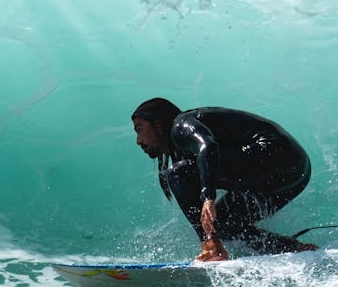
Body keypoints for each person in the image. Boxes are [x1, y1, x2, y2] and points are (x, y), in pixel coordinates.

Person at [131, 97, 317, 261]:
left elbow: (207, 146)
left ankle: (211, 246)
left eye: (140, 129)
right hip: (296, 172)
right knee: (222, 224)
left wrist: (208, 197)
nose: (138, 141)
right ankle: (292, 248)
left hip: (276, 156)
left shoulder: (181, 126)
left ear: (158, 124)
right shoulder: (185, 132)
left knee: (178, 172)